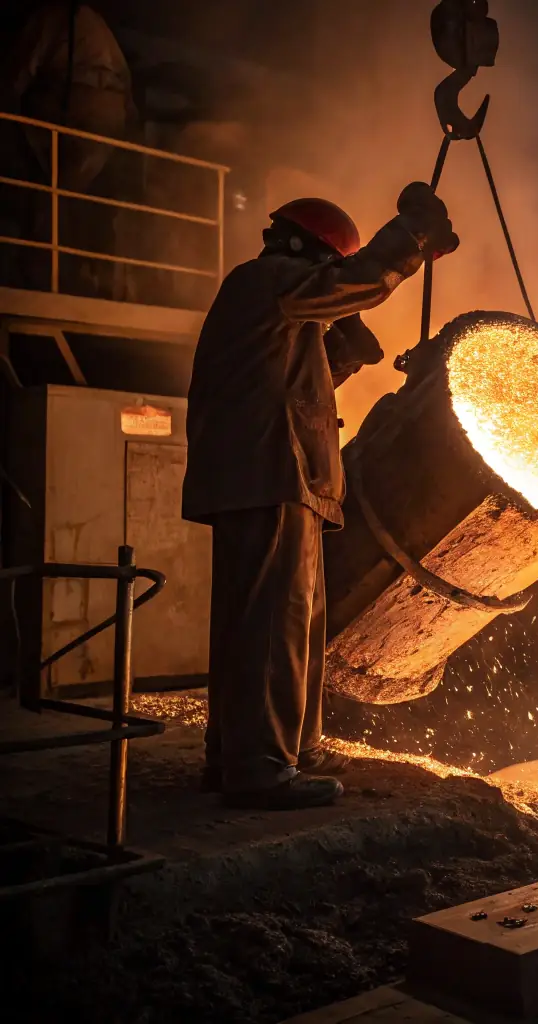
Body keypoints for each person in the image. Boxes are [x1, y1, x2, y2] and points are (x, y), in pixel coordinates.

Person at [183, 184, 458, 810]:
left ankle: (276, 751)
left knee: (288, 623)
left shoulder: (272, 310)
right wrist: (413, 233)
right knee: (270, 625)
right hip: (268, 474)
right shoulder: (267, 280)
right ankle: (259, 768)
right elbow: (361, 280)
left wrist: (346, 352)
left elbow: (289, 385)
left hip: (281, 477)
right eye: (329, 270)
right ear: (313, 255)